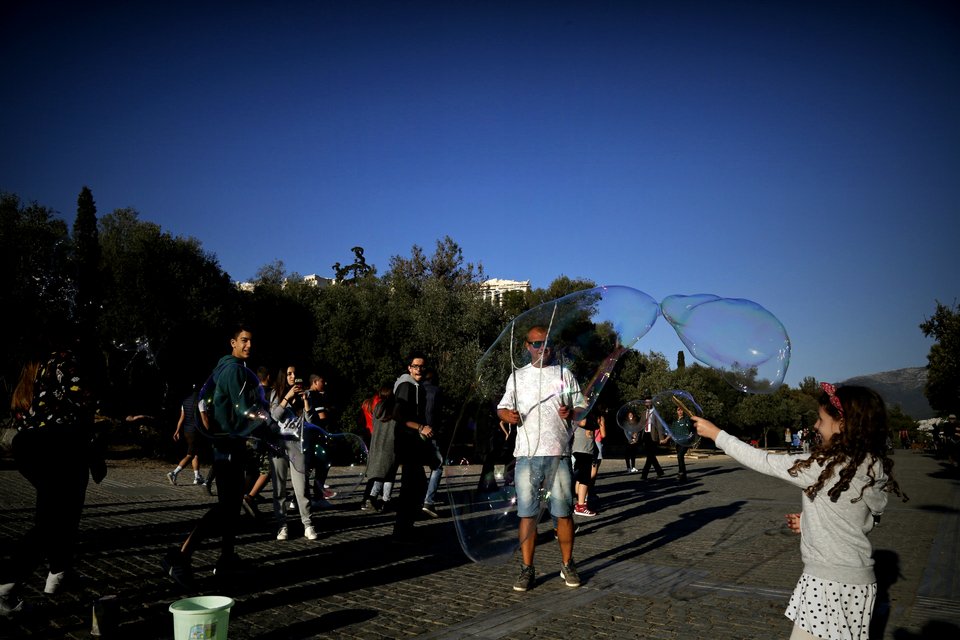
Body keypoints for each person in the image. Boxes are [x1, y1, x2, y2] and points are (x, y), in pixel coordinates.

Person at [692, 383, 908, 640]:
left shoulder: (826, 466)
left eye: (821, 419)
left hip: (829, 583)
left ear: (843, 424)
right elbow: (862, 519)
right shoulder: (872, 464)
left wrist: (717, 435)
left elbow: (765, 461)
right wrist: (809, 523)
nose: (816, 426)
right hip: (860, 584)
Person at [162, 324, 273, 588]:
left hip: (227, 444)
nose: (248, 346)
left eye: (251, 342)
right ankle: (180, 557)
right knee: (226, 507)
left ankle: (227, 558)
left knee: (232, 507)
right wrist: (271, 424)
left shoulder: (225, 368)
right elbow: (246, 411)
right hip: (229, 446)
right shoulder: (234, 370)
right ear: (232, 342)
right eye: (244, 340)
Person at [2, 344, 97, 614]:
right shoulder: (63, 359)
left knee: (54, 513)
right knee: (55, 519)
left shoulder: (35, 370)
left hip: (30, 446)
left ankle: (59, 573)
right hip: (57, 444)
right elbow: (82, 398)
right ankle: (6, 584)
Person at [497, 326, 585, 592]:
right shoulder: (517, 377)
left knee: (564, 514)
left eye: (545, 343)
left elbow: (582, 406)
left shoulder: (564, 374)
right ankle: (527, 569)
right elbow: (502, 407)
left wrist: (571, 411)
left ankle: (567, 564)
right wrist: (507, 416)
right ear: (526, 346)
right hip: (526, 454)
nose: (541, 348)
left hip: (558, 453)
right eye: (536, 344)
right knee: (528, 515)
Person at [268, 366, 318, 541]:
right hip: (278, 445)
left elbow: (310, 421)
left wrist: (305, 402)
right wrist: (287, 397)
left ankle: (308, 524)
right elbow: (273, 416)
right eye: (289, 374)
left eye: (295, 373)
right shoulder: (276, 393)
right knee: (279, 488)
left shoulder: (304, 393)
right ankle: (282, 525)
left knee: (302, 487)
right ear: (283, 375)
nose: (293, 376)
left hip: (297, 446)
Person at [392, 353, 434, 540]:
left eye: (422, 366)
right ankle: (401, 530)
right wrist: (421, 428)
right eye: (415, 366)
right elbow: (399, 416)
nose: (419, 369)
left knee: (415, 486)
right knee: (412, 487)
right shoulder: (406, 386)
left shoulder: (418, 387)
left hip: (413, 443)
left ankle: (405, 527)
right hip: (406, 443)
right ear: (409, 368)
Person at [361, 385, 398, 511]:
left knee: (380, 474)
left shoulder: (377, 407)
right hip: (391, 444)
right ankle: (385, 499)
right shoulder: (395, 408)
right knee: (389, 474)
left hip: (377, 443)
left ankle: (372, 497)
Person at [166, 386, 206, 486]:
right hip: (195, 432)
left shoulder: (185, 401)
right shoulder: (201, 401)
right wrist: (209, 431)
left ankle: (197, 477)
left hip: (187, 431)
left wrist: (177, 430)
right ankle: (174, 473)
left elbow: (182, 417)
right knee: (190, 454)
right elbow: (204, 418)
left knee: (195, 453)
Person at [421, 368, 444, 518]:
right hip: (431, 432)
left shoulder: (418, 389)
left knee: (415, 466)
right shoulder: (436, 391)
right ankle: (429, 501)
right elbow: (436, 413)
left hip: (416, 431)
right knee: (437, 466)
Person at [572, 412, 599, 517]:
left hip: (585, 449)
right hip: (582, 449)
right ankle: (580, 505)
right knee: (584, 478)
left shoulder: (585, 411)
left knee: (580, 477)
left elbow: (595, 425)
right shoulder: (580, 410)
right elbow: (583, 422)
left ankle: (580, 502)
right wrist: (593, 423)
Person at [639, 397, 665, 480]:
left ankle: (644, 474)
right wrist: (635, 434)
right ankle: (659, 471)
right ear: (645, 404)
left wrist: (661, 438)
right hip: (645, 435)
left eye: (649, 402)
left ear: (651, 403)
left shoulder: (656, 413)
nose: (648, 403)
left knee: (650, 456)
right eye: (646, 402)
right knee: (651, 455)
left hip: (653, 435)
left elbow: (659, 425)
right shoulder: (643, 413)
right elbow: (640, 425)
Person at [665, 405, 690, 482]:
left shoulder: (686, 419)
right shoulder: (675, 422)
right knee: (680, 457)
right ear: (676, 411)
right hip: (678, 442)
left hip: (685, 442)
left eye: (681, 410)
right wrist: (666, 439)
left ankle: (681, 473)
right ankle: (683, 475)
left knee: (680, 455)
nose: (680, 411)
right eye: (678, 410)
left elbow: (690, 427)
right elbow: (671, 432)